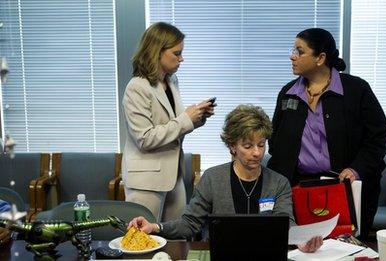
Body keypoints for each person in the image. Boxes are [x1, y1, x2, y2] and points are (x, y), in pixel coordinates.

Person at [128, 104, 323, 253]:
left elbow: (286, 223)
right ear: (232, 146)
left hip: (265, 254)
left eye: (261, 144)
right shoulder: (213, 178)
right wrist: (155, 227)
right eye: (248, 146)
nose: (257, 153)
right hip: (223, 254)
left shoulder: (279, 182)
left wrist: (302, 240)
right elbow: (189, 224)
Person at [267, 28, 386, 239]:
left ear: (320, 58)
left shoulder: (356, 90)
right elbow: (275, 140)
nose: (292, 56)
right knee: (304, 248)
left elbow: (378, 137)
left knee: (345, 249)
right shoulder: (288, 93)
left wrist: (357, 168)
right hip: (300, 190)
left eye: (299, 51)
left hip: (346, 188)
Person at [122, 22, 215, 221]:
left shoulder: (171, 81)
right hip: (146, 180)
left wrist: (197, 117)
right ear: (157, 51)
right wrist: (186, 119)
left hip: (173, 175)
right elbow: (145, 138)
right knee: (143, 242)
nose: (181, 59)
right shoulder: (136, 87)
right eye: (176, 53)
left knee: (177, 238)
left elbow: (174, 125)